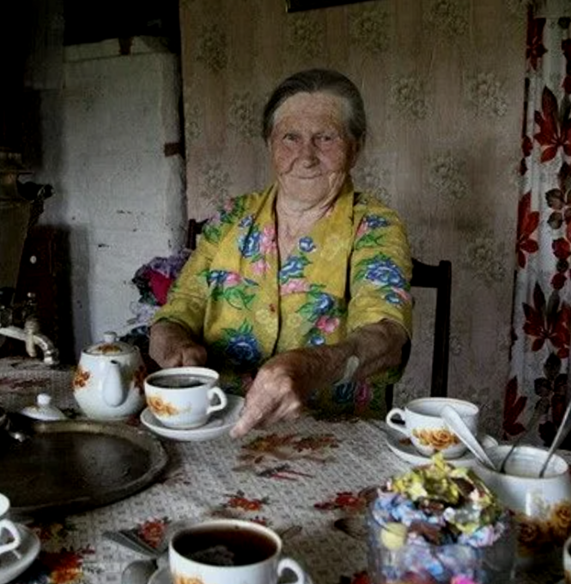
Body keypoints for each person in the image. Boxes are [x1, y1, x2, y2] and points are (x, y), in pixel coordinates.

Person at [148, 68, 413, 438]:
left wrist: (315, 366)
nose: (306, 157)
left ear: (356, 146)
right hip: (219, 424)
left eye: (326, 137)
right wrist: (172, 343)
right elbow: (176, 312)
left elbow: (387, 337)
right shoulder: (230, 218)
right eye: (290, 137)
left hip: (329, 436)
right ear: (270, 143)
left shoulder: (374, 226)